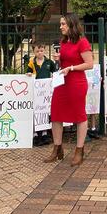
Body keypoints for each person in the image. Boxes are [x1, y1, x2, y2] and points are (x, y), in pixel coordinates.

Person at [45, 14, 94, 166]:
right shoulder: (64, 41)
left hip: (77, 83)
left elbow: (90, 64)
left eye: (63, 24)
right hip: (62, 83)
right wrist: (58, 60)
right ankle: (57, 149)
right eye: (60, 24)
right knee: (56, 114)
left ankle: (79, 150)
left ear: (71, 25)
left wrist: (71, 68)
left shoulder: (82, 42)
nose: (61, 27)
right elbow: (65, 63)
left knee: (79, 116)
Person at [26, 43, 57, 146]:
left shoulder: (49, 62)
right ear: (34, 52)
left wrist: (54, 78)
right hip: (36, 91)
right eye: (37, 51)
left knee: (44, 111)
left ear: (44, 50)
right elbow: (28, 72)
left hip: (46, 92)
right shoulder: (32, 62)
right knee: (36, 111)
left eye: (41, 51)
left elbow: (55, 72)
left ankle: (44, 133)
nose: (40, 53)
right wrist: (29, 74)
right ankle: (35, 134)